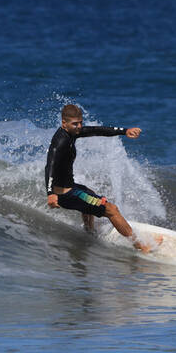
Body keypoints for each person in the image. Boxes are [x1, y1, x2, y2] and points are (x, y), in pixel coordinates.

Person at [44, 104, 160, 251]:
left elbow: (97, 130)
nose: (79, 126)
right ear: (64, 123)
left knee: (89, 192)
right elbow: (50, 166)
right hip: (66, 194)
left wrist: (125, 131)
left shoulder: (71, 132)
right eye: (75, 124)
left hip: (70, 188)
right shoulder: (60, 142)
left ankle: (89, 232)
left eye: (80, 122)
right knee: (112, 209)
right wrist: (50, 194)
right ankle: (141, 246)